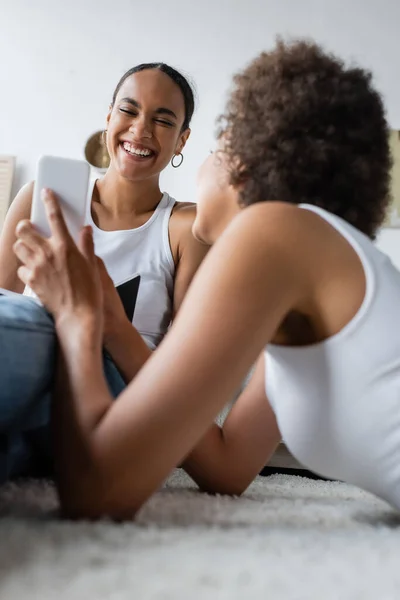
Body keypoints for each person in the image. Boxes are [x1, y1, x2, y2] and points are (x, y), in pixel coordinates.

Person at [14, 38, 398, 520]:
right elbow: (226, 468)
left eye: (218, 147)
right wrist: (112, 323)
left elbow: (98, 490)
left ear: (245, 163)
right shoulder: (293, 305)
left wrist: (78, 316)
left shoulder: (272, 231)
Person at [0, 63, 207, 482]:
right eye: (129, 111)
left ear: (182, 139)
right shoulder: (37, 198)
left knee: (40, 336)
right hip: (30, 380)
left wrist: (89, 322)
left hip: (114, 387)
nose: (141, 130)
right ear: (108, 116)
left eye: (163, 120)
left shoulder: (187, 228)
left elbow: (180, 373)